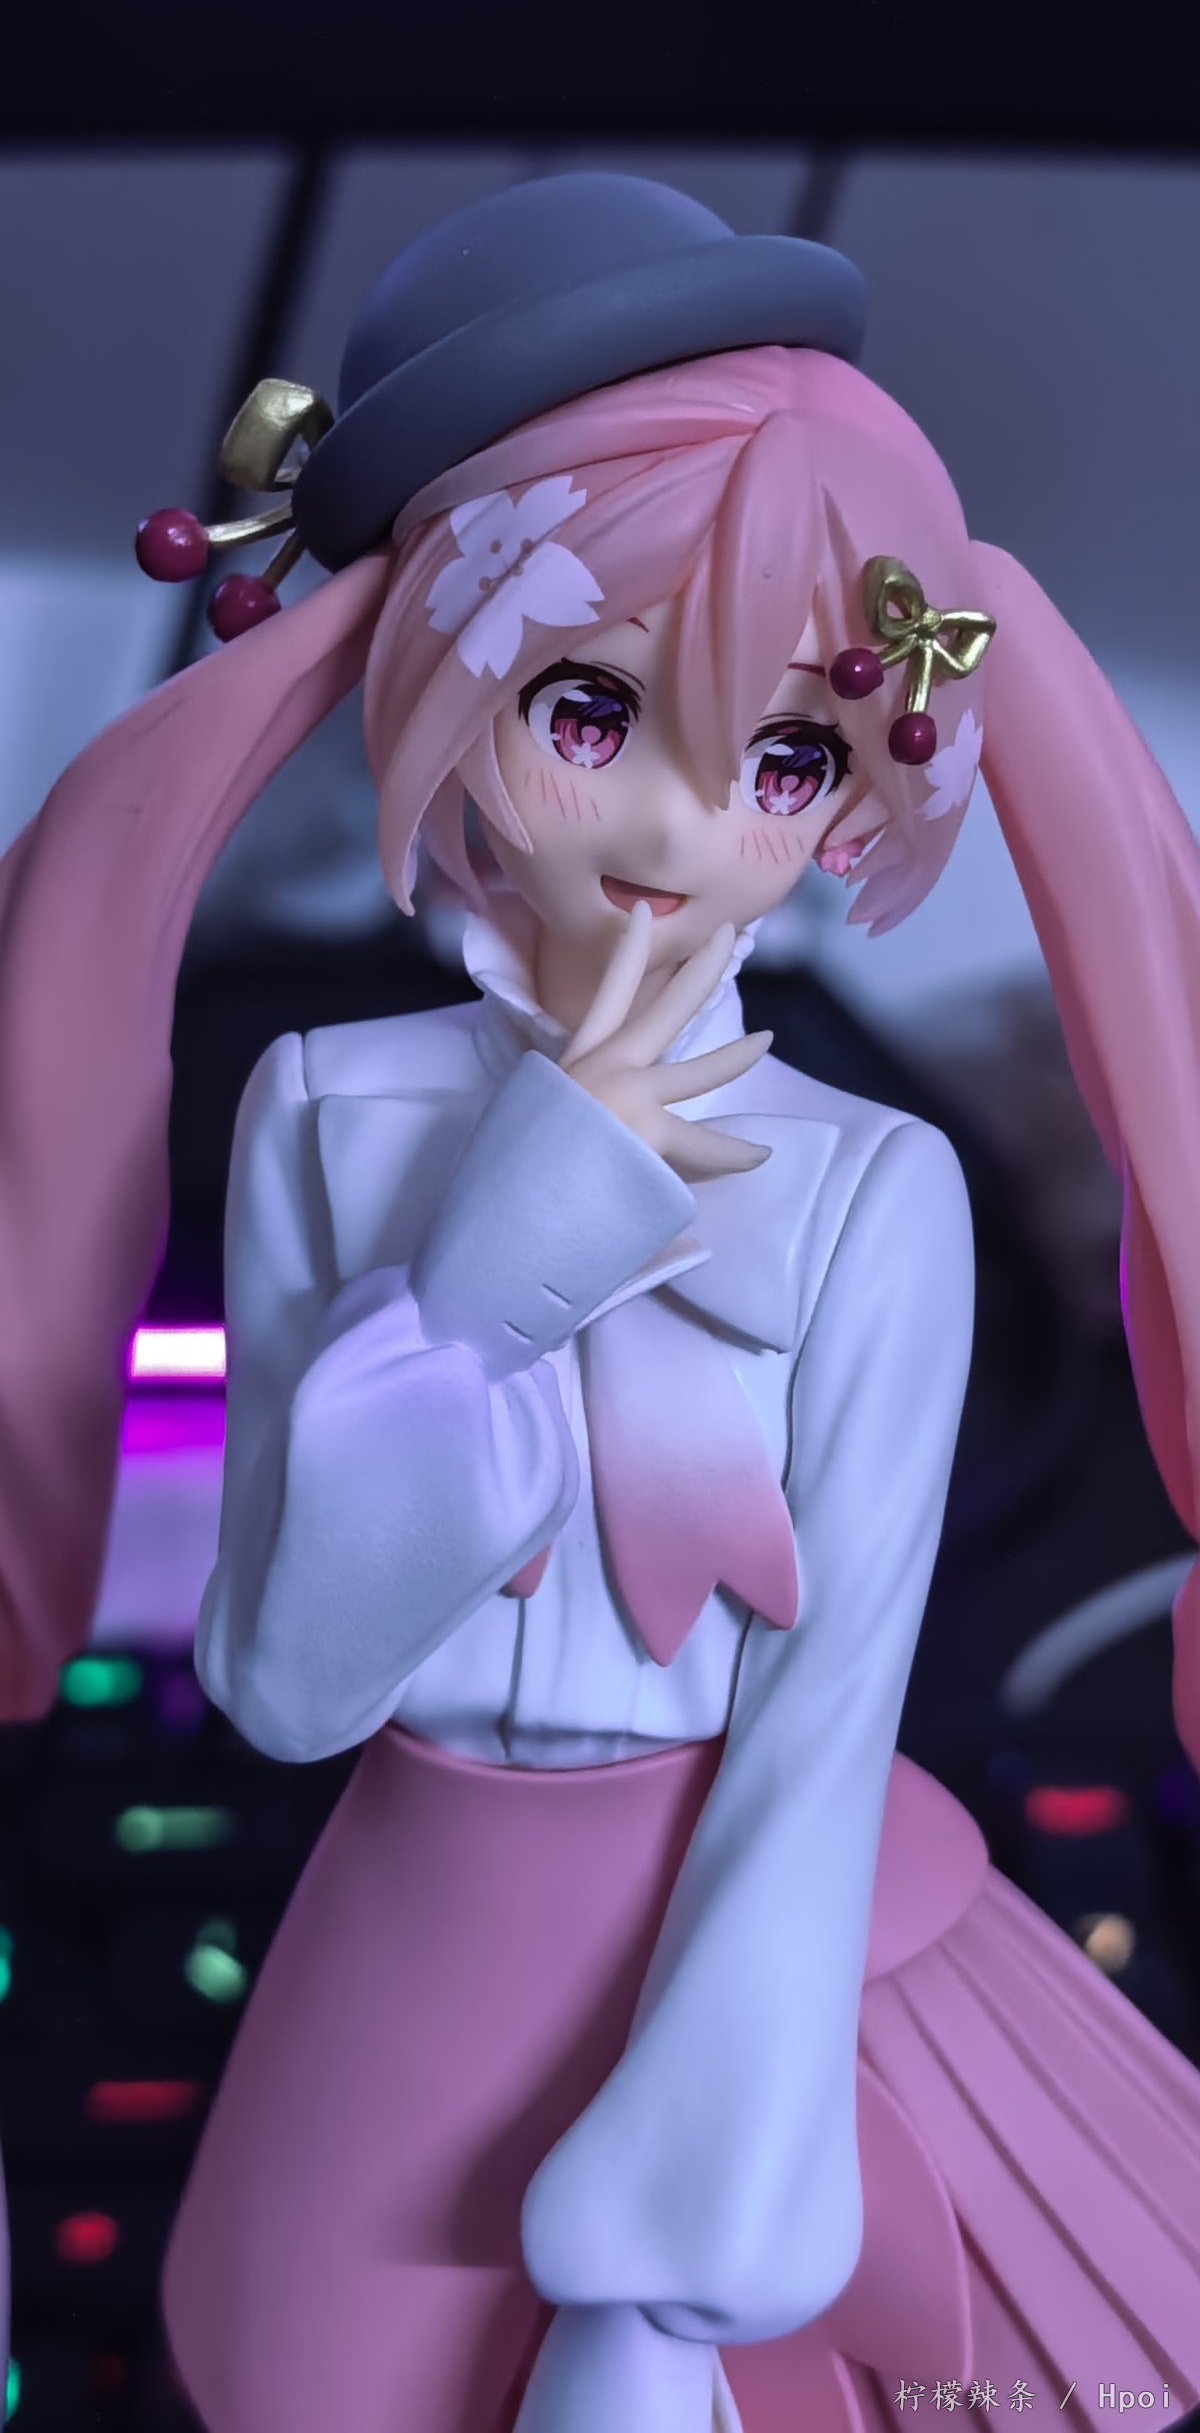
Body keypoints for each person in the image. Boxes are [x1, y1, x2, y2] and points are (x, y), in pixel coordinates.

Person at [2, 175, 1199, 2433]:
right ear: (446, 678)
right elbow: (284, 1679)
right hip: (408, 1936)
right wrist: (501, 1260)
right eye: (590, 708)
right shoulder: (322, 1110)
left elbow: (829, 1713)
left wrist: (708, 2196)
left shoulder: (880, 1194)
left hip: (777, 1967)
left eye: (784, 756)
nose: (679, 824)